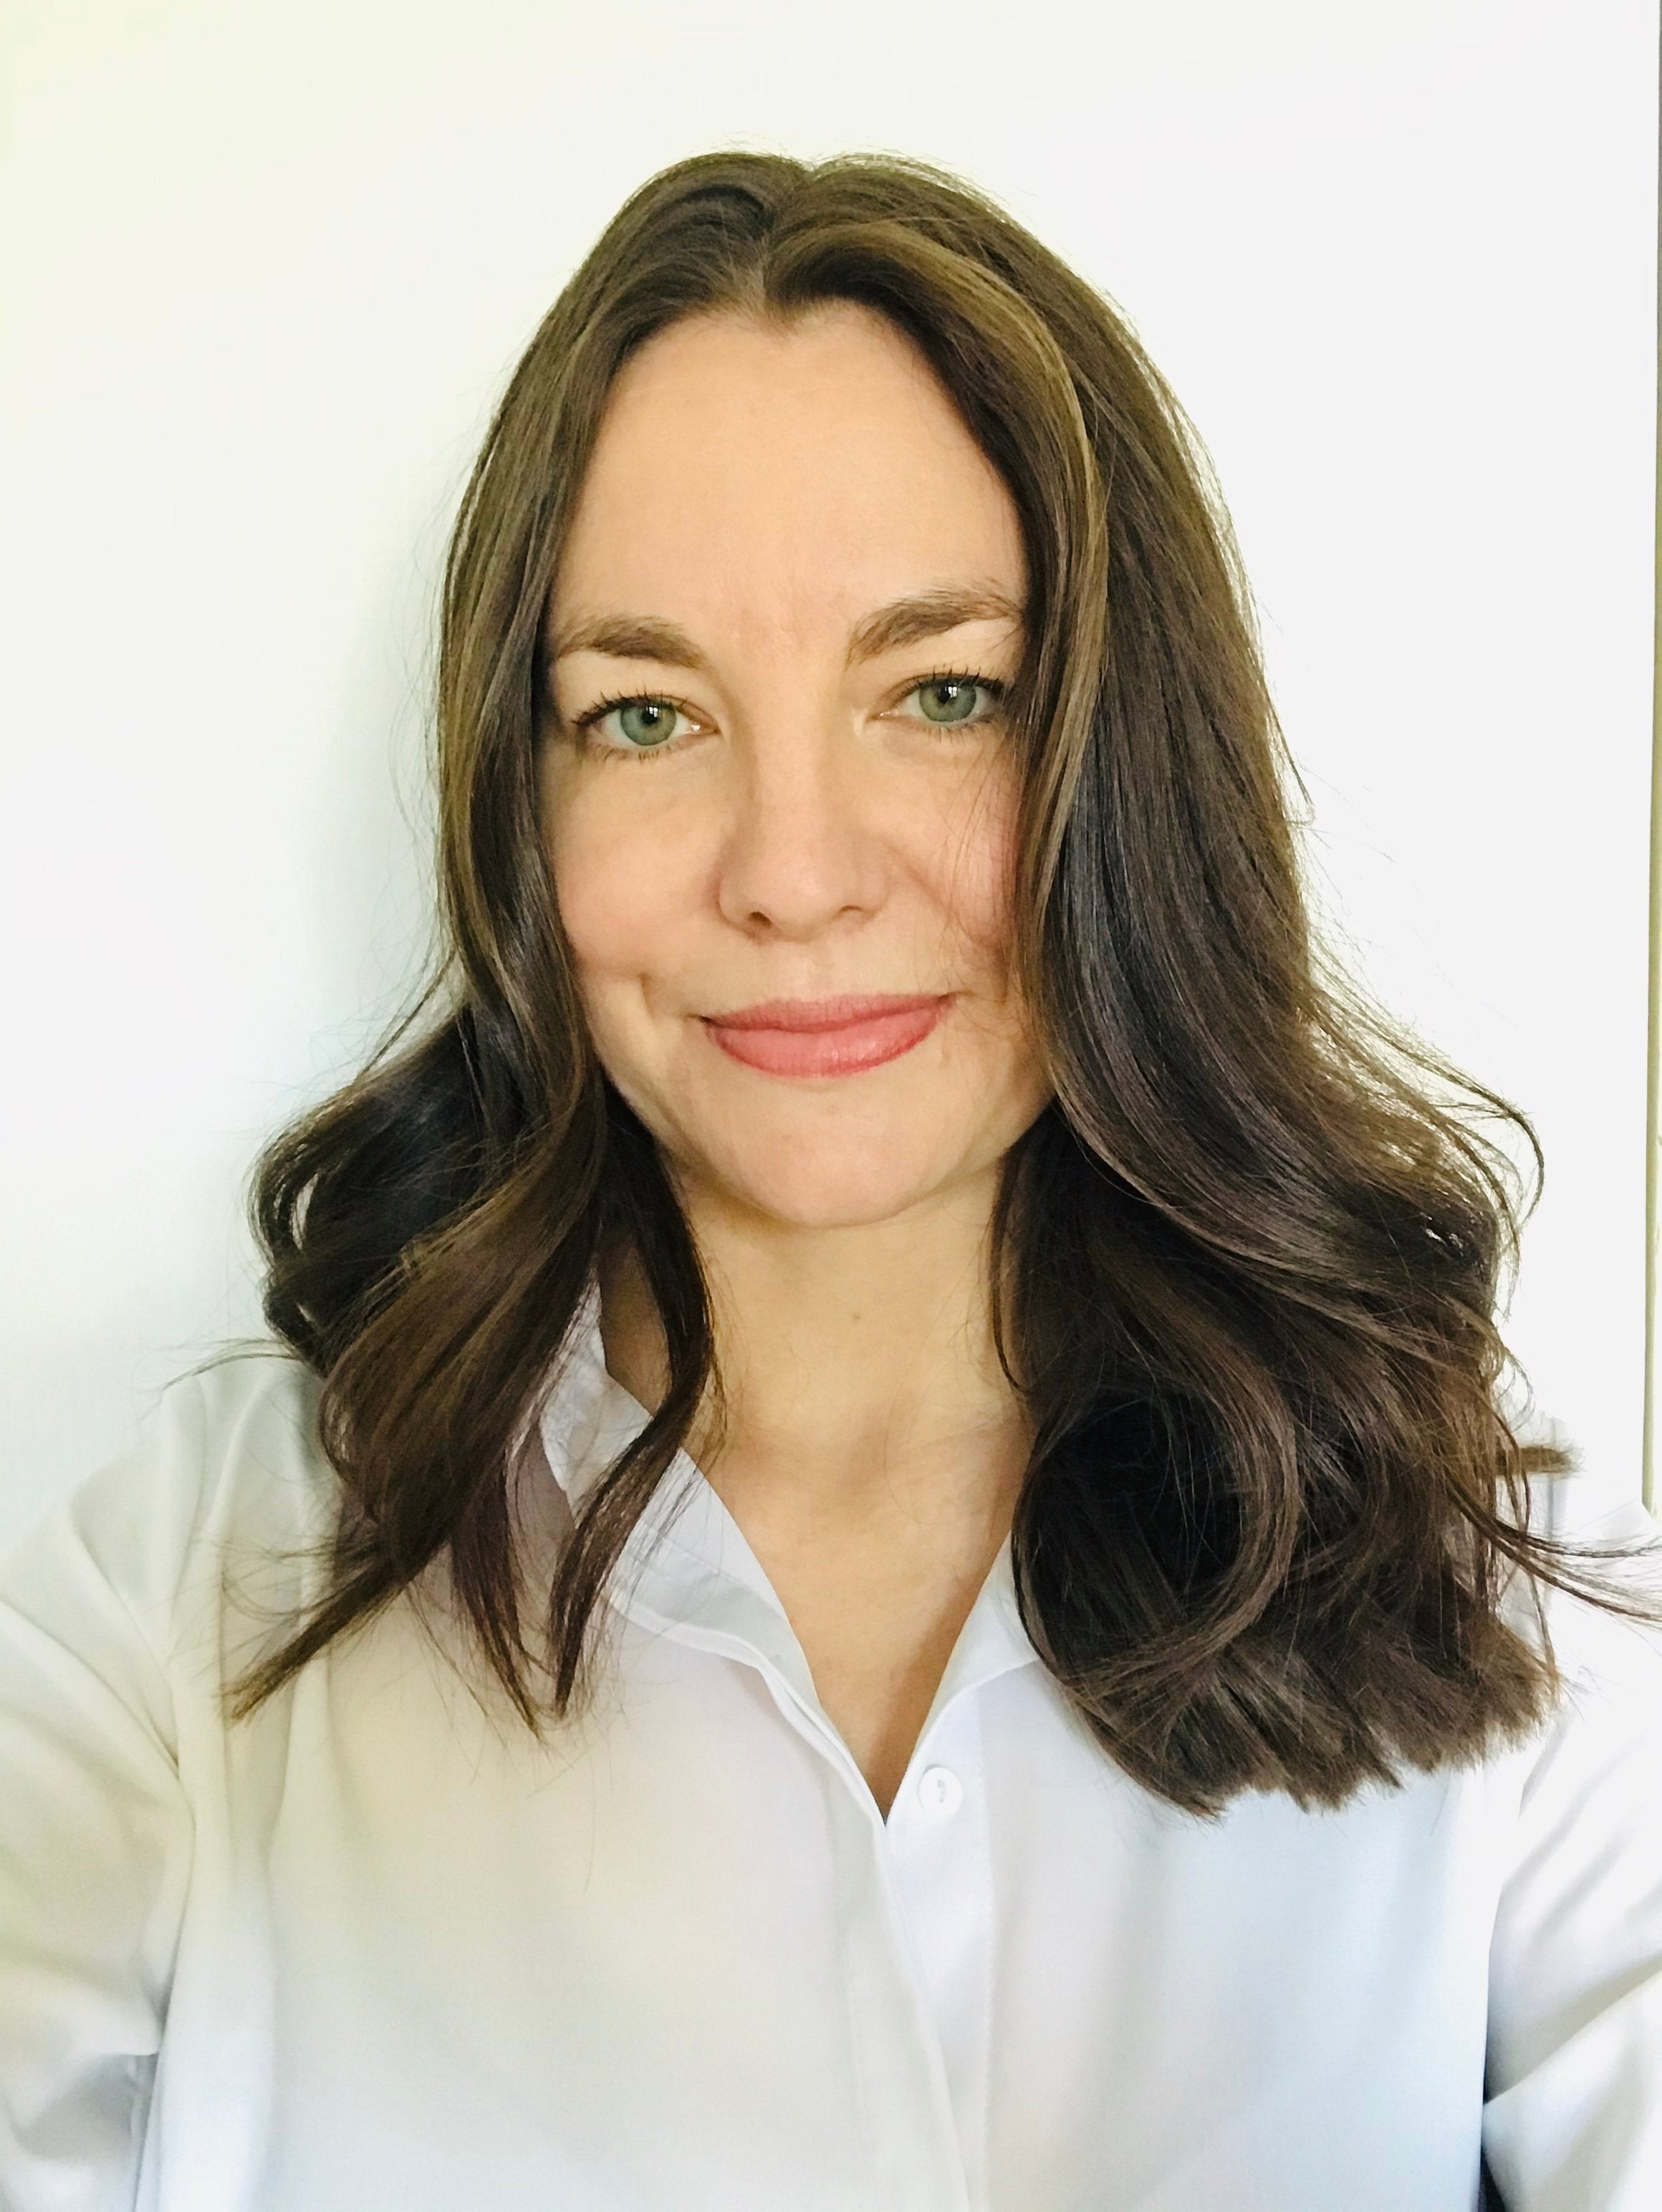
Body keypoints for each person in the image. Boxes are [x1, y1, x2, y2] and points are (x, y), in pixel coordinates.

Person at [1, 148, 1658, 2212]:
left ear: (1124, 772)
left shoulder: (1522, 1604)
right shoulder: (174, 1611)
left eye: (943, 693)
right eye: (646, 714)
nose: (791, 871)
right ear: (519, 807)